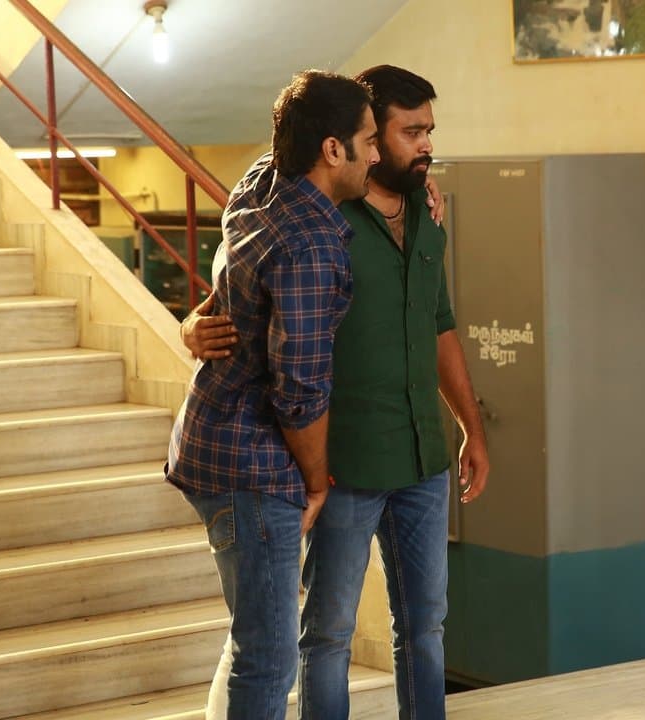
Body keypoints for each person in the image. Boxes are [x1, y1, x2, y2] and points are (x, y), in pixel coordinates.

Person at [183, 65, 490, 720]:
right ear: (353, 138)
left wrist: (472, 427)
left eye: (428, 131)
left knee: (424, 625)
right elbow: (245, 290)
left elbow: (439, 323)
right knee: (320, 636)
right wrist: (193, 324)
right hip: (336, 459)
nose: (423, 146)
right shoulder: (312, 215)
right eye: (405, 133)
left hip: (420, 456)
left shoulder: (425, 210)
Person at [165, 69, 379, 720]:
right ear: (332, 149)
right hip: (253, 465)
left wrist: (192, 320)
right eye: (369, 141)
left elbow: (239, 284)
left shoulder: (262, 182)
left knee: (253, 639)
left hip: (209, 440)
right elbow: (299, 392)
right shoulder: (310, 246)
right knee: (268, 654)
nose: (375, 155)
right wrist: (316, 481)